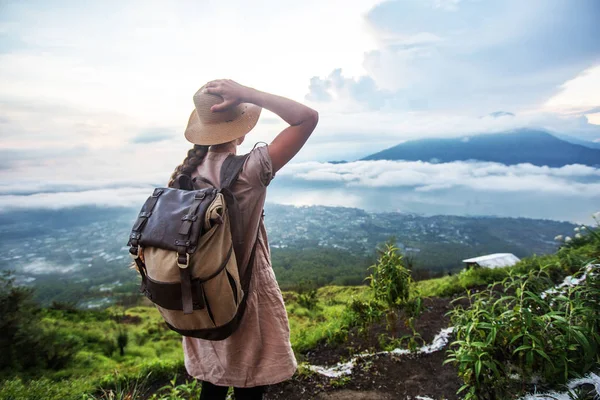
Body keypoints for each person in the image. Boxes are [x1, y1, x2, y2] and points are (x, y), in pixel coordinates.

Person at [167, 79, 319, 400]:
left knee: (211, 386)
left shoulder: (184, 176)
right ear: (242, 130)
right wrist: (249, 95)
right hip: (245, 301)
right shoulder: (250, 170)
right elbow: (307, 117)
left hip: (201, 299)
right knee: (250, 389)